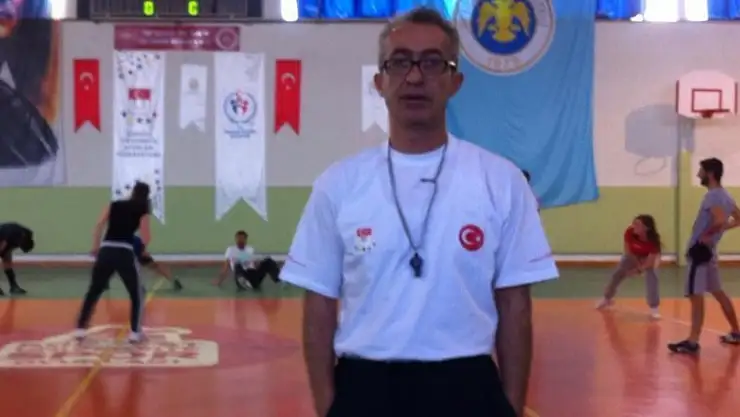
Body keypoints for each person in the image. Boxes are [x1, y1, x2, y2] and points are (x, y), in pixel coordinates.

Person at [279, 8, 559, 417]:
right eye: (399, 62)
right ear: (380, 81)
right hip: (365, 387)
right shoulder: (338, 184)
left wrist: (511, 406)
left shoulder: (501, 181)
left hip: (468, 386)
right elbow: (319, 302)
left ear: (455, 81)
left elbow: (515, 304)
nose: (414, 77)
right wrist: (328, 406)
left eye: (432, 63)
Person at [669, 158, 740, 354]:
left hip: (700, 253)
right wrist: (718, 231)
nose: (698, 174)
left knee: (696, 295)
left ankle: (692, 341)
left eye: (700, 171)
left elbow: (719, 219)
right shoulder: (726, 196)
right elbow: (737, 218)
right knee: (718, 291)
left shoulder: (712, 196)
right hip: (710, 252)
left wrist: (706, 235)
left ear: (710, 174)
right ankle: (736, 332)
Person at [74, 181, 152, 343]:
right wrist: (141, 250)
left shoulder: (113, 205)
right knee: (137, 293)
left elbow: (99, 225)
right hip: (124, 251)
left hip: (106, 250)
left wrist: (95, 246)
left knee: (94, 290)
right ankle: (135, 333)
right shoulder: (142, 209)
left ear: (133, 191)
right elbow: (146, 236)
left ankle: (80, 329)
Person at [596, 215, 662, 319]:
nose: (634, 226)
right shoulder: (629, 232)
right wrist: (635, 265)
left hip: (648, 258)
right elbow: (628, 251)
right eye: (634, 223)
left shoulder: (654, 241)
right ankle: (607, 298)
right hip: (633, 255)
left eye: (638, 224)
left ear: (646, 228)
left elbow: (650, 262)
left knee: (652, 276)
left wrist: (638, 270)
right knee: (617, 274)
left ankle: (654, 307)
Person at [214, 230, 280, 291]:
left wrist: (258, 263)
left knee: (268, 260)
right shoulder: (230, 250)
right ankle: (243, 282)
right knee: (237, 264)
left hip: (252, 274)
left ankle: (279, 279)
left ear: (246, 240)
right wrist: (219, 281)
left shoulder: (250, 249)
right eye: (238, 239)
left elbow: (254, 264)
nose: (240, 241)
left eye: (242, 239)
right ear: (236, 239)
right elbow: (225, 268)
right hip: (240, 274)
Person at [0, 222, 34, 295]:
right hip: (7, 236)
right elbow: (4, 245)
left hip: (10, 236)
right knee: (6, 258)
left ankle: (14, 286)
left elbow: (6, 248)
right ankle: (14, 286)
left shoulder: (21, 234)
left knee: (7, 260)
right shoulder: (10, 234)